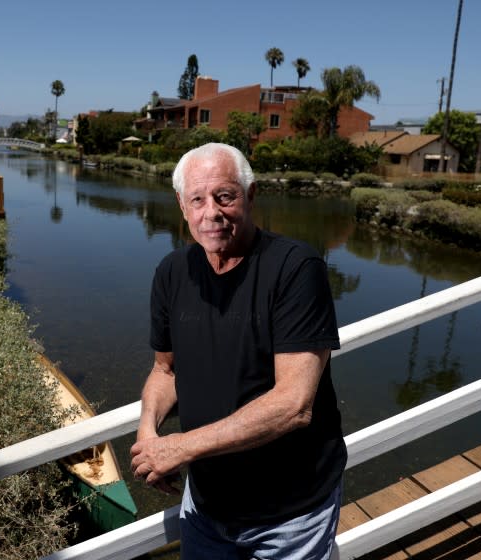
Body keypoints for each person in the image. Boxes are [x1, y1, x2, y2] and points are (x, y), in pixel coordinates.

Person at [130, 143, 345, 559]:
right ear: (181, 205)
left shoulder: (296, 268)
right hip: (206, 505)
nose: (211, 211)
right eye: (197, 199)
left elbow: (293, 404)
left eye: (224, 196)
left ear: (250, 195)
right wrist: (148, 435)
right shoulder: (172, 272)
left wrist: (181, 448)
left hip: (289, 514)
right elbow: (166, 371)